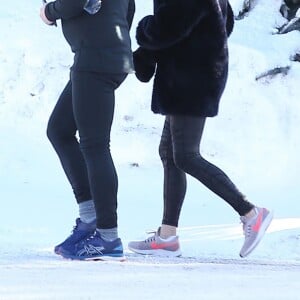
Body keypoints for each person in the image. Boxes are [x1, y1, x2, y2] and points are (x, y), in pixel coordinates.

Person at [128, 0, 273, 258]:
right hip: (190, 72)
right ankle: (167, 236)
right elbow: (223, 23)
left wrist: (144, 29)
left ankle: (251, 213)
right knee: (169, 152)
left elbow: (166, 26)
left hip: (192, 77)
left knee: (185, 155)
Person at [39, 0, 135, 261]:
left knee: (95, 145)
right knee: (59, 130)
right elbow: (129, 9)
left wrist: (49, 12)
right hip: (104, 56)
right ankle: (91, 218)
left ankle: (108, 237)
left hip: (95, 60)